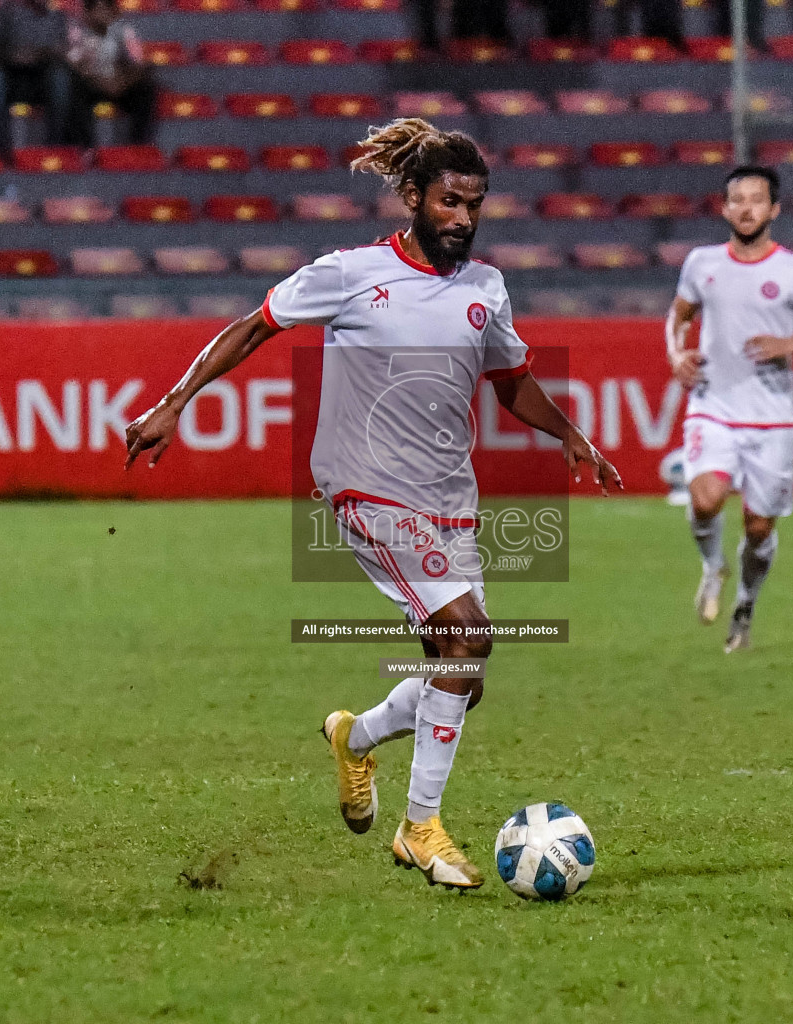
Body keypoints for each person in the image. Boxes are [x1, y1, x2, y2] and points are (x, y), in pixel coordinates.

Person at [123, 119, 621, 890]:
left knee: (464, 673)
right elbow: (254, 327)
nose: (463, 217)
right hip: (366, 485)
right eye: (450, 202)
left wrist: (571, 434)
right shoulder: (350, 272)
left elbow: (510, 377)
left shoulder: (486, 288)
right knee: (467, 638)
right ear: (414, 197)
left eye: (475, 205)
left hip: (448, 496)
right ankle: (420, 829)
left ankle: (357, 736)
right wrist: (174, 401)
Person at [665, 166, 793, 653]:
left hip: (772, 418)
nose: (745, 208)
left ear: (774, 209)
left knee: (759, 526)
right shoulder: (702, 263)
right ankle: (712, 565)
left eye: (756, 200)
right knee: (704, 501)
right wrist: (677, 355)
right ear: (724, 209)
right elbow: (678, 317)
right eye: (736, 200)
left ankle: (745, 603)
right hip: (712, 405)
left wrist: (789, 342)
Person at [0, 0, 71, 158]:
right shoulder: (5, 11)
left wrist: (39, 53)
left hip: (42, 75)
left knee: (61, 78)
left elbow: (62, 51)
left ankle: (56, 146)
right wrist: (13, 55)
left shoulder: (56, 15)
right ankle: (2, 148)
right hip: (11, 74)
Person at [66, 0, 154, 146]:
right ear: (88, 13)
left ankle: (138, 145)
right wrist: (100, 81)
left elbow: (138, 64)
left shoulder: (125, 31)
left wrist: (121, 83)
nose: (102, 14)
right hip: (92, 85)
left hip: (120, 85)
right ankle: (86, 147)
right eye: (98, 9)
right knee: (74, 87)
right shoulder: (78, 33)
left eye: (106, 9)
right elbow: (75, 64)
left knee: (146, 88)